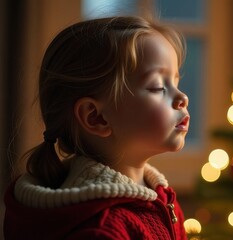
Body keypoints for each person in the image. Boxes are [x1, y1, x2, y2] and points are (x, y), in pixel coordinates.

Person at [4, 16, 190, 240]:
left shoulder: (160, 197)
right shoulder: (102, 231)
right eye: (158, 87)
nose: (182, 97)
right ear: (96, 118)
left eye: (176, 82)